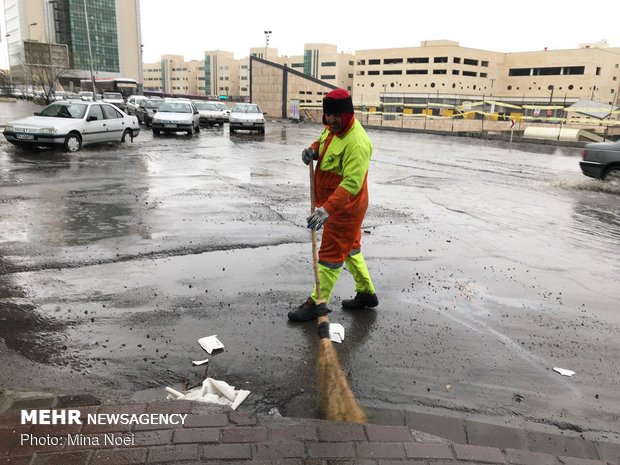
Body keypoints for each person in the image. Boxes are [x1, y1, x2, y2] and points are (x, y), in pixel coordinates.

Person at [288, 88, 378, 322]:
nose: (332, 121)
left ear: (349, 114)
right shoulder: (333, 129)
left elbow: (351, 184)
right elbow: (322, 141)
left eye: (337, 116)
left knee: (330, 254)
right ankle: (367, 293)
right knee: (351, 249)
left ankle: (317, 302)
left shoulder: (357, 143)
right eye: (329, 116)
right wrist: (312, 151)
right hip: (334, 205)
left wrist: (327, 209)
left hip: (345, 208)